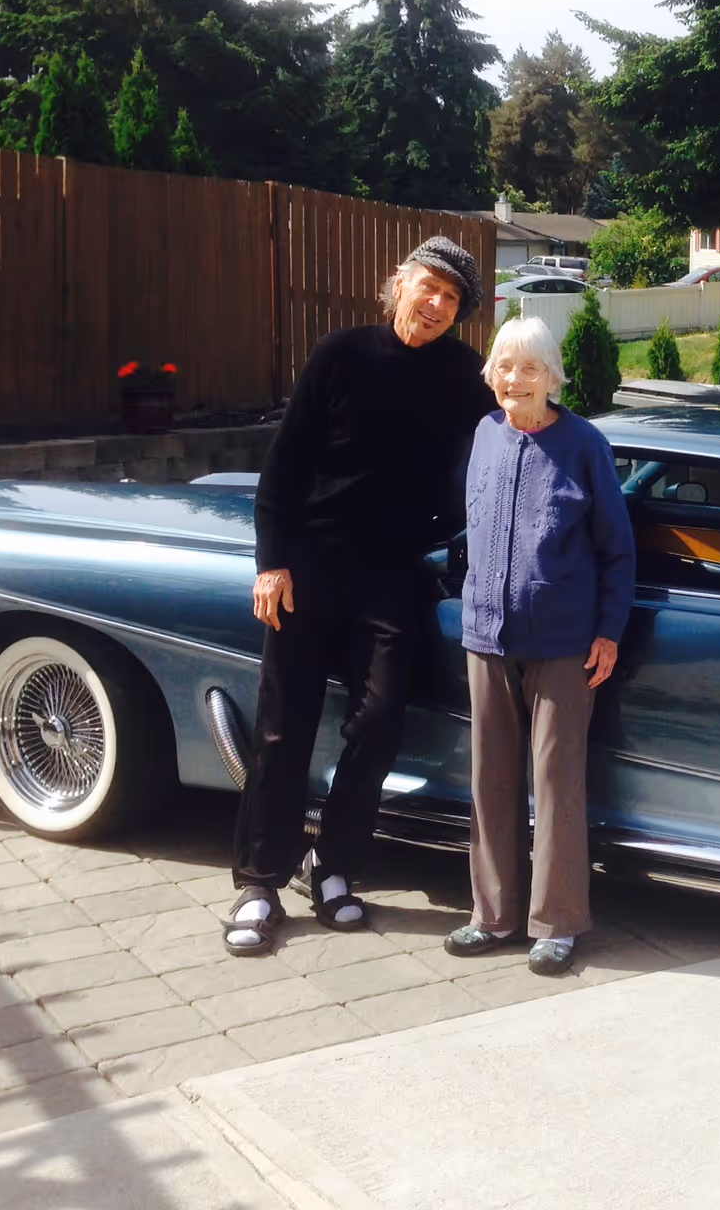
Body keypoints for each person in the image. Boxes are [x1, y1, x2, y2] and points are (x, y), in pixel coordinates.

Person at [225, 236, 497, 956]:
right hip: (308, 566)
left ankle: (335, 866)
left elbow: (511, 420)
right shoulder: (340, 354)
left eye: (452, 299)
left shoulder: (463, 373)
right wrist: (272, 562)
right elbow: (283, 467)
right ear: (400, 282)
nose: (437, 305)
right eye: (429, 287)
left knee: (379, 722)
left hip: (393, 573)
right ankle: (258, 883)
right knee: (284, 727)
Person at [443, 315, 635, 976]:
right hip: (487, 636)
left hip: (562, 643)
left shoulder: (584, 444)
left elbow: (617, 548)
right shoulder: (485, 433)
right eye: (503, 366)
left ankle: (556, 923)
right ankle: (490, 915)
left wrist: (609, 631)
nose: (513, 379)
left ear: (551, 377)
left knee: (556, 783)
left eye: (527, 368)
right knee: (489, 780)